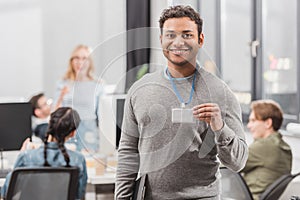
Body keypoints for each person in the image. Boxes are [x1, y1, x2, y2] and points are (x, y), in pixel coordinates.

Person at [115, 5, 248, 200]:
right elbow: (128, 151)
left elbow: (238, 161)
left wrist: (220, 127)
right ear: (161, 40)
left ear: (200, 40)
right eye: (170, 35)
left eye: (187, 35)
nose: (178, 42)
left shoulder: (220, 92)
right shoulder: (139, 89)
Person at [0, 107, 88, 200]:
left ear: (49, 125)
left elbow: (6, 192)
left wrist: (21, 154)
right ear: (73, 133)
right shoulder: (78, 160)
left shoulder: (26, 157)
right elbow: (78, 196)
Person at [53, 44, 104, 152]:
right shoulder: (62, 83)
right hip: (67, 130)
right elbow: (55, 112)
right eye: (76, 58)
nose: (80, 62)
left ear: (90, 62)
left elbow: (102, 116)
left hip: (89, 132)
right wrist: (62, 95)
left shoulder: (98, 85)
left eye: (84, 58)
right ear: (71, 61)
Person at [241, 99, 292, 200]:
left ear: (268, 123)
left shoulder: (264, 146)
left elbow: (230, 164)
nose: (249, 125)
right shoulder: (284, 147)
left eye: (253, 120)